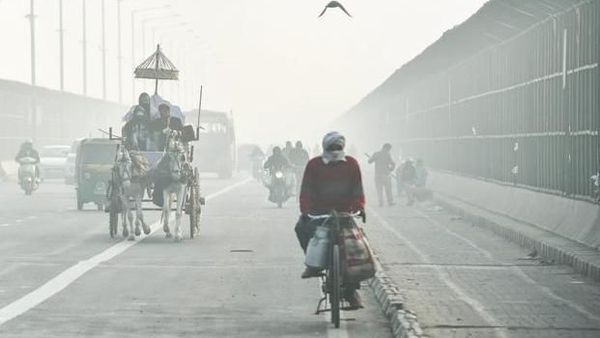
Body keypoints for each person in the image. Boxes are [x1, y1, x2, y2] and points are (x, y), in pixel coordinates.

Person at [295, 131, 365, 309]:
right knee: (300, 228)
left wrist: (360, 207)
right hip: (320, 214)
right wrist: (305, 211)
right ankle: (313, 264)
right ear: (325, 148)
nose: (335, 150)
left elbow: (358, 190)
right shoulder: (314, 165)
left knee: (355, 248)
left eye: (338, 147)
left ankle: (351, 291)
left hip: (344, 214)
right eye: (332, 147)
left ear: (343, 148)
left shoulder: (352, 164)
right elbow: (306, 191)